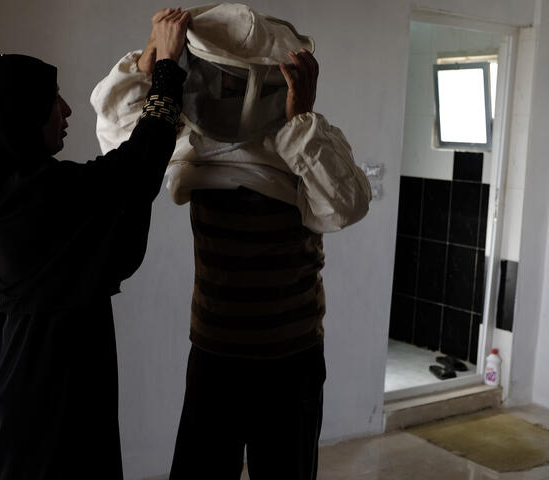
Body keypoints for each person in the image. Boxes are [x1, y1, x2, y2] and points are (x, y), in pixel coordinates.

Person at [91, 4, 372, 479]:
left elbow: (346, 205)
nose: (234, 91)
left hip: (291, 357)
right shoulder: (190, 137)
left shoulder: (309, 139)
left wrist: (300, 121)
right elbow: (119, 138)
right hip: (215, 351)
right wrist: (153, 55)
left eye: (243, 81)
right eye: (224, 79)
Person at [0, 9, 190, 479]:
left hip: (32, 363)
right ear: (20, 116)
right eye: (51, 101)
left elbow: (122, 174)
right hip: (53, 374)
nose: (66, 110)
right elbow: (137, 166)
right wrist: (166, 69)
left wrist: (146, 69)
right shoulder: (40, 197)